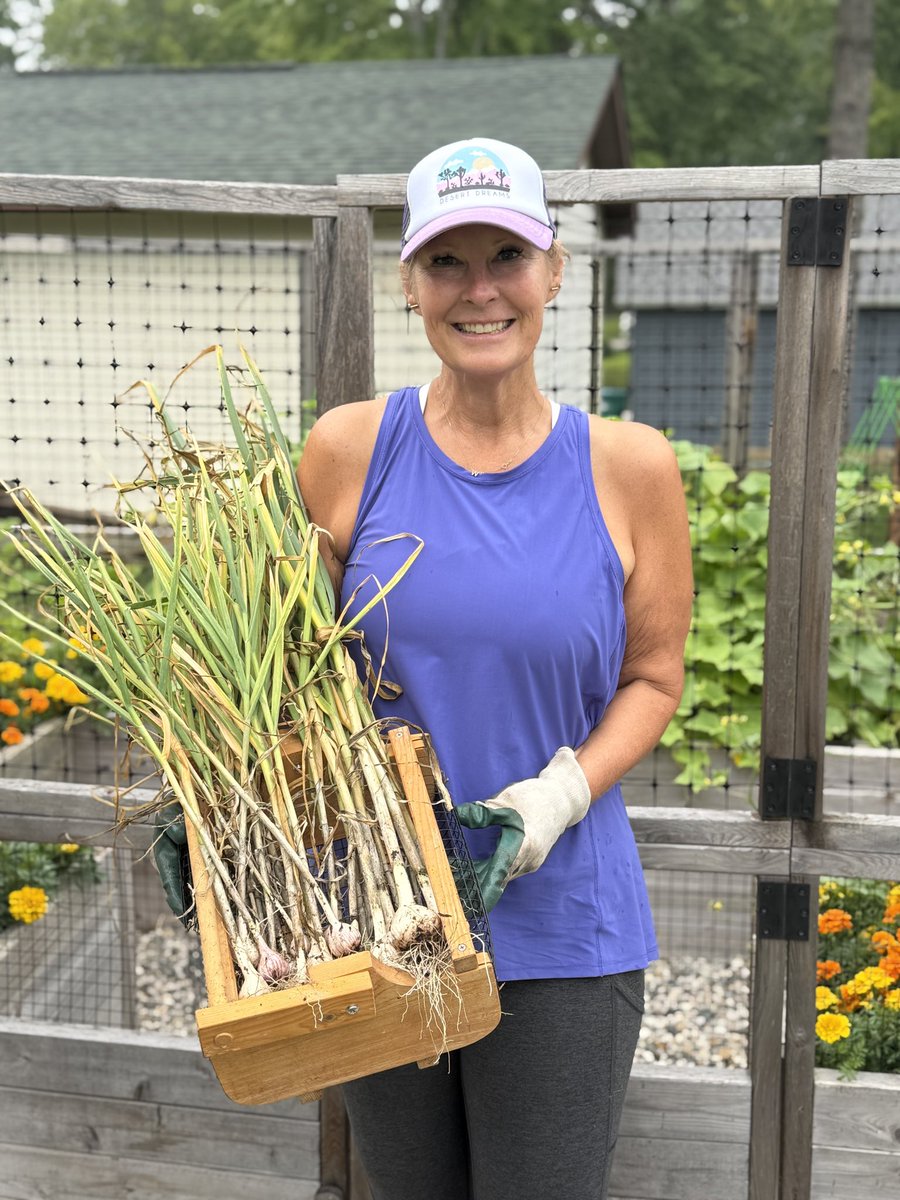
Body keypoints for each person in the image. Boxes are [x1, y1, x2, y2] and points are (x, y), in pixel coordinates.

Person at [296, 136, 693, 1200]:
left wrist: (561, 795)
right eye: (448, 262)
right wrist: (220, 807)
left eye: (506, 256)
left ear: (555, 270)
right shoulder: (346, 451)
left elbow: (654, 678)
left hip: (563, 923)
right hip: (378, 914)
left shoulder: (629, 467)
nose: (480, 291)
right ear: (411, 284)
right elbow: (286, 676)